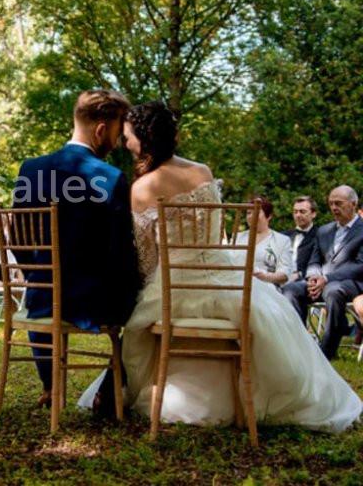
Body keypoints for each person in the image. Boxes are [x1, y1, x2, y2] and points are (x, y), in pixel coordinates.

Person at [79, 101, 362, 431]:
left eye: (128, 137)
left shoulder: (142, 188)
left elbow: (147, 259)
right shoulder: (202, 172)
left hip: (173, 285)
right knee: (269, 314)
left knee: (137, 319)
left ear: (144, 138)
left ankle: (126, 387)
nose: (125, 143)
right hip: (225, 279)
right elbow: (213, 235)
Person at [13, 89, 142, 408]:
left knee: (42, 292)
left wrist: (38, 276)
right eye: (115, 133)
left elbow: (18, 239)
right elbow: (121, 252)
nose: (115, 143)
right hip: (94, 302)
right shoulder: (111, 177)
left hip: (42, 297)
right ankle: (109, 390)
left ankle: (50, 385)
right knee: (151, 304)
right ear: (101, 129)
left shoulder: (31, 169)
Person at [282, 185, 363, 360]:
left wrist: (326, 278)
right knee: (290, 290)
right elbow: (314, 260)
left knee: (333, 291)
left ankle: (326, 352)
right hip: (320, 281)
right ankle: (300, 345)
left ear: (353, 204)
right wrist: (312, 277)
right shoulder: (324, 231)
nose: (334, 208)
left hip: (351, 283)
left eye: (339, 203)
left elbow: (359, 265)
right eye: (331, 203)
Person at [235, 196, 293, 290]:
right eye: (249, 213)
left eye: (256, 212)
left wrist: (265, 276)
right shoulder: (237, 237)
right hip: (237, 285)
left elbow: (284, 274)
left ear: (269, 216)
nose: (251, 216)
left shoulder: (282, 240)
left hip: (266, 287)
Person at [284, 196, 319, 282]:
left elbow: (319, 263)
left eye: (302, 212)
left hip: (304, 281)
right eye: (295, 212)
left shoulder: (320, 235)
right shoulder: (284, 236)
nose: (298, 215)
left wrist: (299, 274)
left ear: (313, 214)